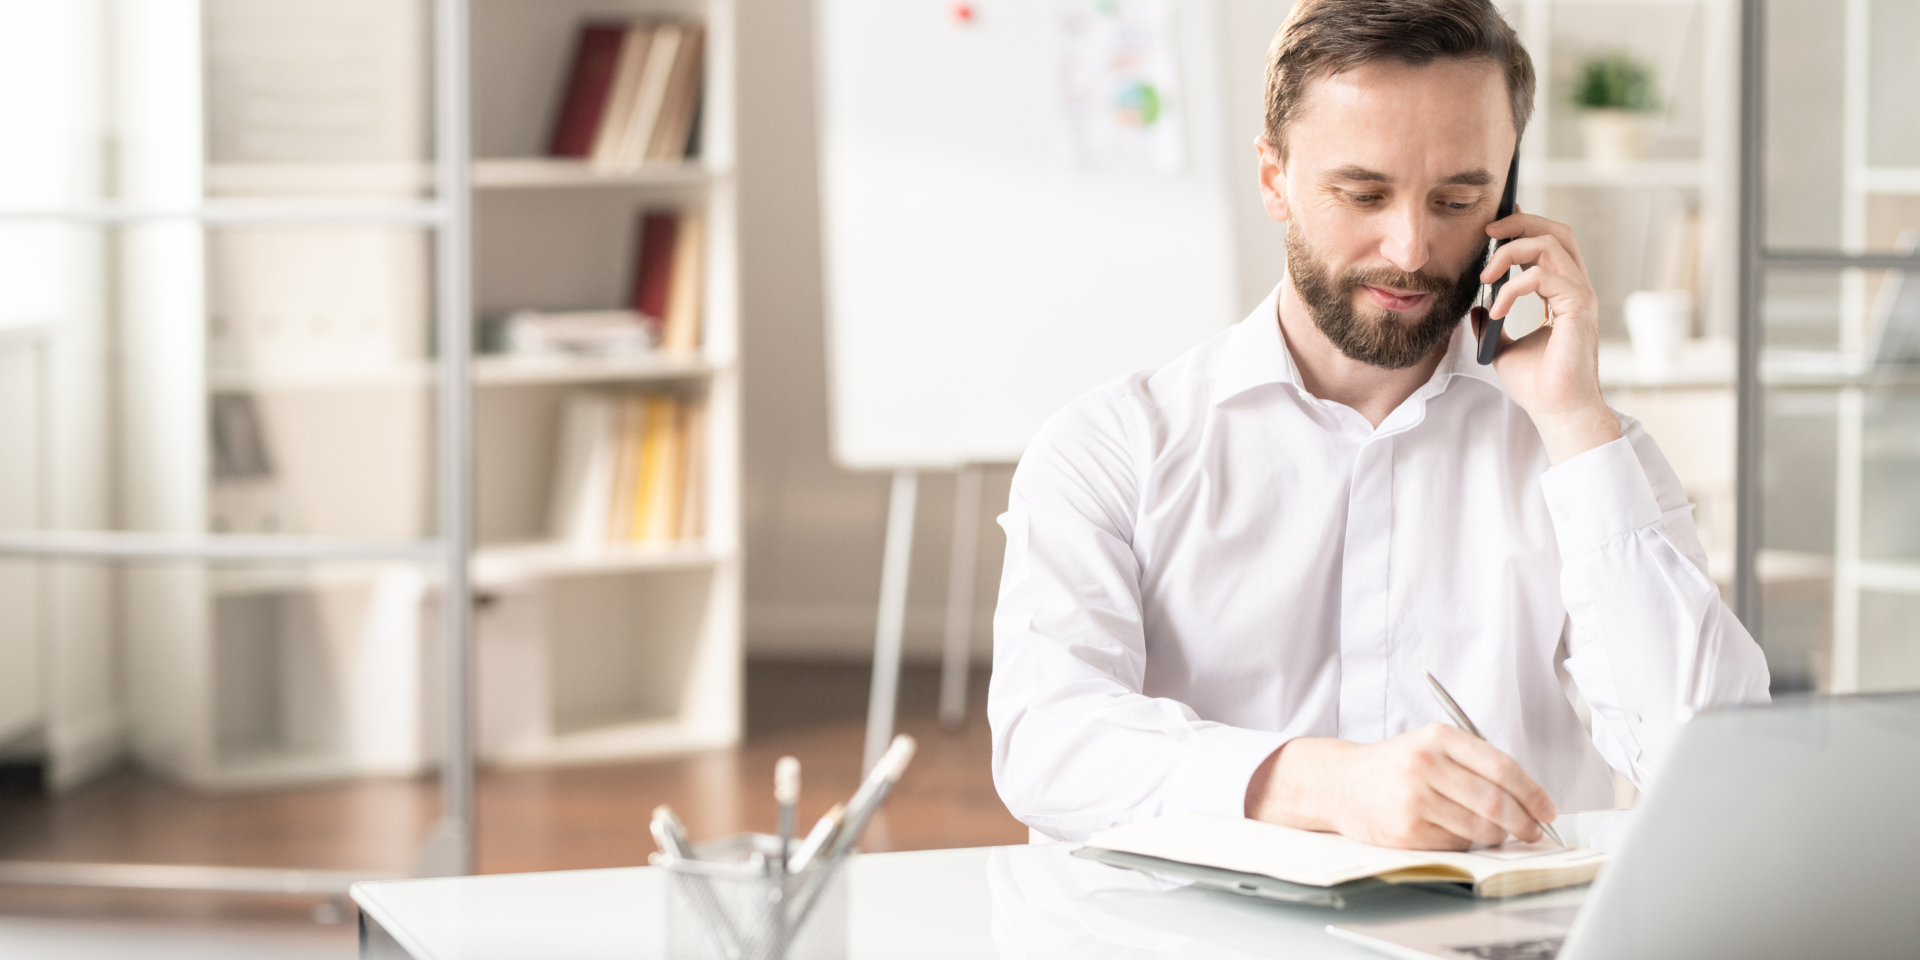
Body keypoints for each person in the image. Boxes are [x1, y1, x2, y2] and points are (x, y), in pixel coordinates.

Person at [987, 0, 1770, 851]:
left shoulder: (1584, 452)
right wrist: (1318, 782)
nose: (1409, 248)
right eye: (1363, 192)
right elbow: (1049, 741)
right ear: (1273, 178)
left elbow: (1714, 763)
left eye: (1456, 197)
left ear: (1506, 196)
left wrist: (1573, 422)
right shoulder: (1113, 450)